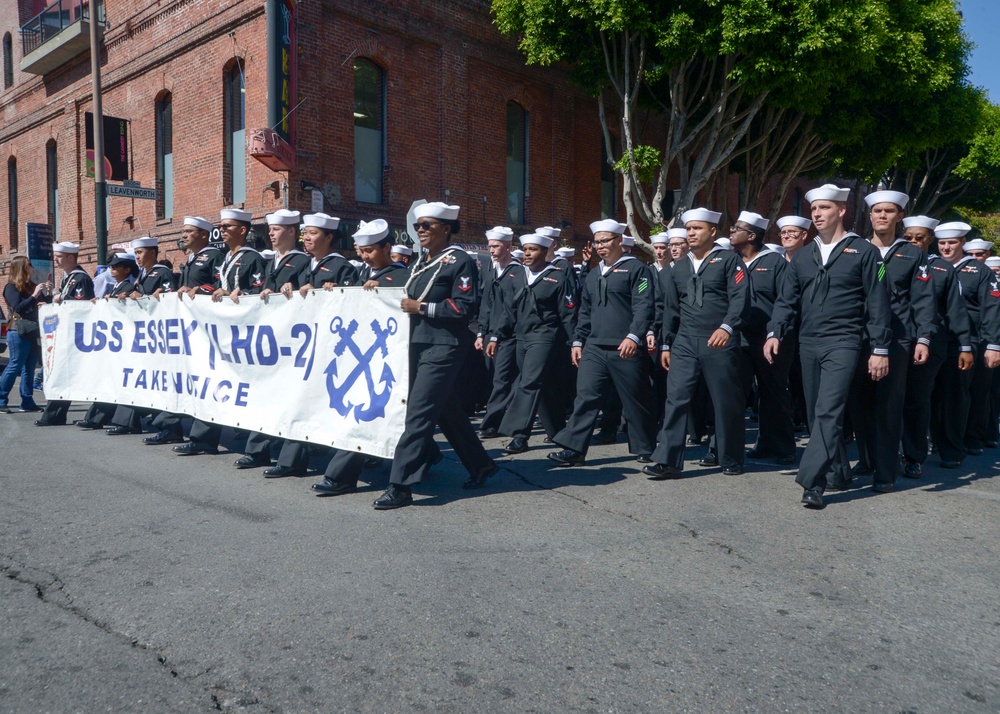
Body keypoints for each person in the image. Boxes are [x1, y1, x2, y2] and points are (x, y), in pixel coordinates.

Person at [764, 184, 892, 508]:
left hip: (845, 341)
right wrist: (774, 332)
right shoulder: (803, 256)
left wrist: (880, 348)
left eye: (824, 208)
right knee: (814, 414)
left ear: (842, 210)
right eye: (814, 209)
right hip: (808, 342)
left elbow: (878, 303)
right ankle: (838, 472)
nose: (817, 214)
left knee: (828, 410)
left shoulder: (864, 252)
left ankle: (813, 482)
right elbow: (786, 301)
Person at [372, 201, 497, 510]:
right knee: (445, 409)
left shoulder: (460, 261)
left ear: (446, 228)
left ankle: (400, 484)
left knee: (417, 414)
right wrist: (378, 286)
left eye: (427, 225)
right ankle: (481, 465)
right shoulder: (422, 261)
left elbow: (464, 307)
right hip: (418, 343)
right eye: (417, 226)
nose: (421, 230)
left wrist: (423, 308)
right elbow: (406, 294)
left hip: (444, 345)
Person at [643, 208, 749, 480]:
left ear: (712, 231)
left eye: (697, 229)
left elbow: (740, 299)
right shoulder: (677, 268)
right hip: (685, 342)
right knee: (676, 399)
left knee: (725, 400)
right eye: (688, 229)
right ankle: (667, 460)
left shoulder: (729, 261)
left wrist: (727, 327)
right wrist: (667, 344)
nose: (691, 233)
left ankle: (731, 456)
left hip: (719, 341)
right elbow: (671, 309)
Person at [311, 219, 411, 496]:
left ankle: (339, 475)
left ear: (387, 247)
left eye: (369, 251)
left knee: (368, 415)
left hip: (389, 357)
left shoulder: (401, 276)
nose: (364, 256)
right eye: (360, 250)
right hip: (360, 355)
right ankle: (434, 456)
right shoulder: (358, 275)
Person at [547, 219, 657, 467]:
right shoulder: (594, 273)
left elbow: (644, 306)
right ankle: (574, 448)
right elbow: (584, 311)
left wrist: (634, 336)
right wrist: (577, 340)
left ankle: (646, 447)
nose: (600, 246)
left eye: (605, 241)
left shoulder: (637, 270)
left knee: (635, 398)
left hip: (625, 347)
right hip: (594, 347)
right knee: (585, 397)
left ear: (619, 241)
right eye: (597, 242)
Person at [846, 191, 936, 491]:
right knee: (859, 403)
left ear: (899, 216)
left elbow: (923, 301)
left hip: (897, 339)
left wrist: (923, 337)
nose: (882, 216)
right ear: (869, 216)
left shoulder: (913, 254)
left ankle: (886, 471)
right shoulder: (855, 250)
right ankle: (868, 458)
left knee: (888, 405)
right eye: (877, 211)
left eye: (889, 211)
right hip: (858, 336)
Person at [172, 208, 267, 456]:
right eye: (221, 226)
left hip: (245, 333)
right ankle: (204, 437)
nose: (222, 230)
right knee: (213, 381)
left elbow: (259, 292)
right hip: (224, 331)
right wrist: (205, 290)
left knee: (251, 388)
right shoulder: (227, 257)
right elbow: (218, 285)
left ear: (243, 230)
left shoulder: (252, 258)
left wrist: (239, 295)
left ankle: (258, 445)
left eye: (227, 226)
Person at [233, 209, 312, 470]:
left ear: (291, 231)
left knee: (294, 401)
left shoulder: (302, 261)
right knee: (265, 395)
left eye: (276, 229)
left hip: (294, 340)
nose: (271, 234)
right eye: (270, 229)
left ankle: (292, 460)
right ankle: (258, 451)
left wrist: (294, 291)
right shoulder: (272, 262)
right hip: (273, 339)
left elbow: (311, 297)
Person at [140, 217, 224, 446]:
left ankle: (204, 439)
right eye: (183, 231)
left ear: (204, 235)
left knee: (205, 383)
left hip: (206, 330)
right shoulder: (190, 259)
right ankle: (171, 428)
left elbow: (219, 285)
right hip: (189, 331)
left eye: (189, 231)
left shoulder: (214, 256)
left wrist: (200, 289)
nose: (184, 235)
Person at [900, 216, 973, 477]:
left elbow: (956, 310)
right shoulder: (894, 262)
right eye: (908, 237)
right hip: (896, 340)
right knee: (886, 400)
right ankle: (879, 454)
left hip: (932, 344)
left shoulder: (943, 269)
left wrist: (965, 344)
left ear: (930, 239)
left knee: (917, 400)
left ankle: (913, 456)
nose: (914, 242)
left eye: (920, 238)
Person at [494, 232, 577, 454]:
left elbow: (568, 313)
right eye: (526, 249)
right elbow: (509, 311)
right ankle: (558, 431)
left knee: (529, 383)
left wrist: (576, 341)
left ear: (544, 252)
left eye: (533, 249)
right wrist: (496, 336)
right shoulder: (519, 276)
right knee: (545, 385)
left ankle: (520, 434)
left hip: (545, 337)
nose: (528, 254)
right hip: (522, 337)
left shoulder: (557, 276)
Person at [929, 221, 1000, 465]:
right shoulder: (930, 267)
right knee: (930, 394)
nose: (946, 248)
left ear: (963, 243)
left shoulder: (980, 272)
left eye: (952, 243)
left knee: (956, 395)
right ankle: (934, 440)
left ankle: (953, 448)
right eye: (942, 243)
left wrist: (992, 344)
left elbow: (991, 309)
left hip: (965, 342)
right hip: (935, 339)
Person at [729, 211, 795, 465]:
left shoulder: (775, 262)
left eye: (737, 228)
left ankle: (781, 447)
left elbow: (785, 300)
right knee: (735, 394)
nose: (732, 231)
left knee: (774, 393)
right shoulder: (730, 261)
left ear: (752, 235)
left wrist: (775, 333)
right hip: (739, 338)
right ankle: (729, 448)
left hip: (770, 339)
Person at [105, 236, 177, 435]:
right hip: (145, 337)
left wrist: (145, 297)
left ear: (153, 253)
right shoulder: (144, 275)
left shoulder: (162, 273)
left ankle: (168, 428)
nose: (137, 257)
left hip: (159, 336)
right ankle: (130, 421)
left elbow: (170, 301)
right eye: (136, 253)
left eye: (140, 252)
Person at [75, 253, 140, 430]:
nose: (111, 268)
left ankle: (125, 422)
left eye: (116, 266)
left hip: (126, 343)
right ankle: (97, 417)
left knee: (124, 382)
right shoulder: (119, 286)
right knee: (110, 380)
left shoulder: (128, 286)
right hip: (114, 343)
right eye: (111, 265)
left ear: (127, 269)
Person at [35, 242, 95, 427]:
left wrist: (59, 298)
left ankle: (55, 415)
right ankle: (54, 415)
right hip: (65, 334)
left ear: (70, 258)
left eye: (59, 256)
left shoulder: (80, 278)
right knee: (62, 375)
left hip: (75, 336)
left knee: (67, 374)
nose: (55, 259)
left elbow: (79, 305)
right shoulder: (67, 278)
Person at [476, 226, 520, 438]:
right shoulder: (492, 270)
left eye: (496, 246)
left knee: (501, 379)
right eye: (490, 246)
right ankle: (504, 418)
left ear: (508, 247)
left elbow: (510, 309)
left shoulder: (517, 271)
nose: (491, 250)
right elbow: (486, 304)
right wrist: (480, 332)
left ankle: (490, 424)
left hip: (507, 335)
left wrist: (495, 336)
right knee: (494, 378)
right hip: (491, 334)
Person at [1, 256, 51, 414]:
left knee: (29, 368)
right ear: (21, 268)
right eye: (29, 264)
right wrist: (35, 295)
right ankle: (1, 400)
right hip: (18, 330)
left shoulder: (32, 286)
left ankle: (27, 401)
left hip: (33, 330)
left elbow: (41, 305)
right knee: (15, 365)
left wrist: (48, 294)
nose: (32, 267)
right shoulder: (11, 287)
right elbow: (18, 308)